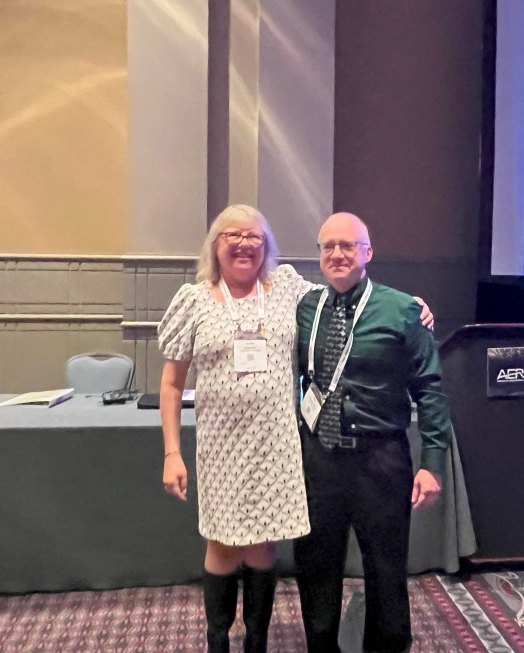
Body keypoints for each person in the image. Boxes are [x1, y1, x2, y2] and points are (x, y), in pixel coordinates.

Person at [158, 205, 432, 653]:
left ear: (266, 245)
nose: (244, 244)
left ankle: (256, 642)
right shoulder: (194, 300)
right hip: (220, 446)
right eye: (233, 235)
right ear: (215, 244)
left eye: (254, 236)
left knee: (263, 546)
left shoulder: (287, 289)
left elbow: (344, 293)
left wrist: (411, 306)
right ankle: (218, 641)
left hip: (277, 446)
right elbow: (171, 385)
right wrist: (172, 452)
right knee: (222, 544)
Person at [294, 212, 451, 653]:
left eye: (348, 245)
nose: (337, 254)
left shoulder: (403, 310)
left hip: (379, 462)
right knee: (315, 566)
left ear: (368, 253)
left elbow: (431, 390)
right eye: (328, 246)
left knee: (385, 570)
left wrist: (432, 463)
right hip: (319, 460)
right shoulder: (305, 308)